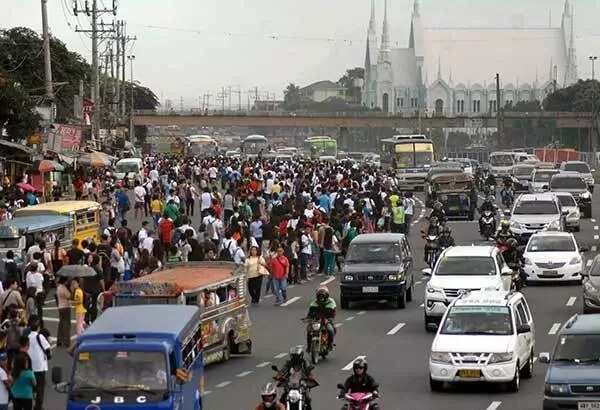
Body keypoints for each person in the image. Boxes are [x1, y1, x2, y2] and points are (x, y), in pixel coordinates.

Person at [26, 315, 50, 410]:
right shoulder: (40, 337)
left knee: (31, 387)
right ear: (38, 326)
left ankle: (31, 404)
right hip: (40, 366)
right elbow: (48, 349)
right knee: (40, 388)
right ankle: (38, 406)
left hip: (30, 366)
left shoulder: (27, 337)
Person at [56, 276, 71, 348]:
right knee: (67, 325)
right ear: (64, 281)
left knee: (61, 324)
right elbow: (69, 296)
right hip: (66, 307)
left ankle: (59, 340)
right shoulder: (64, 288)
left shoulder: (58, 287)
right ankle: (66, 341)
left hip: (60, 307)